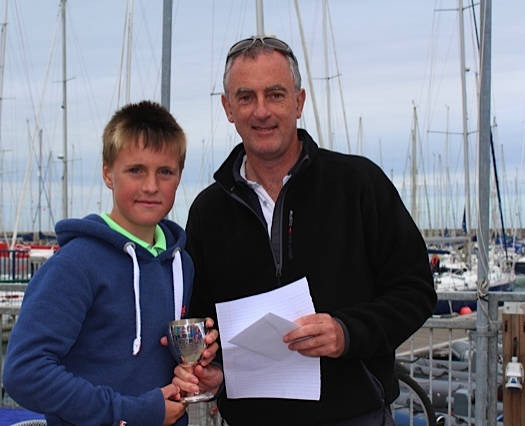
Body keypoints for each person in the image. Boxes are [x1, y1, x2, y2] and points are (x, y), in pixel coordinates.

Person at [174, 36, 437, 425]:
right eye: (246, 97)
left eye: (275, 95)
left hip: (355, 417)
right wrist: (215, 372)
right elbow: (204, 320)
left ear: (298, 101)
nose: (261, 111)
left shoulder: (358, 183)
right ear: (228, 109)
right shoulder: (208, 211)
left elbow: (416, 290)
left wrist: (346, 332)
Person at [3, 100, 218, 426]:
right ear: (107, 173)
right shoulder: (75, 265)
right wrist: (131, 412)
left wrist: (194, 362)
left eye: (165, 172)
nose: (150, 186)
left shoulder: (181, 264)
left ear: (179, 176)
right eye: (136, 170)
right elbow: (24, 370)